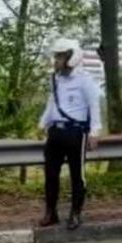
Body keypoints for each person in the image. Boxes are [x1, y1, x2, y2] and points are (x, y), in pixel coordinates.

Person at [38, 38, 102, 230]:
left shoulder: (85, 80)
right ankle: (51, 213)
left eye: (60, 56)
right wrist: (42, 124)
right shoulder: (55, 79)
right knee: (50, 174)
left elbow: (94, 105)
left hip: (76, 132)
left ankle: (75, 213)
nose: (56, 60)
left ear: (71, 57)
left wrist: (94, 132)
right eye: (56, 56)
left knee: (77, 175)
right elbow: (51, 103)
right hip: (55, 131)